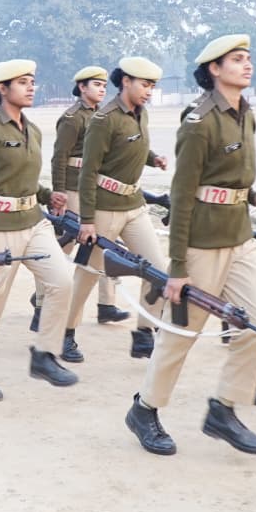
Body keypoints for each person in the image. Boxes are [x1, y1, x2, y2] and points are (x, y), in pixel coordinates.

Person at [123, 35, 256, 458]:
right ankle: (145, 409)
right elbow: (183, 193)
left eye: (248, 58)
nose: (247, 65)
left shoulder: (245, 113)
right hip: (202, 244)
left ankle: (224, 409)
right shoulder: (199, 120)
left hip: (240, 236)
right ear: (215, 68)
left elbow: (225, 177)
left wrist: (251, 195)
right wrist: (177, 266)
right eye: (237, 59)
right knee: (181, 334)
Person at [0, 59, 78, 399]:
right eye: (23, 82)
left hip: (34, 222)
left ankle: (44, 355)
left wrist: (47, 195)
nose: (31, 87)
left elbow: (21, 178)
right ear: (2, 88)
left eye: (32, 81)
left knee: (62, 281)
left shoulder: (31, 129)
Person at [67, 56, 169, 361]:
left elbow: (132, 145)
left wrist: (153, 158)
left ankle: (144, 334)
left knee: (157, 271)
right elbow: (88, 172)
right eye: (145, 84)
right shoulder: (104, 119)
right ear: (126, 81)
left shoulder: (141, 113)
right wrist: (87, 220)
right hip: (104, 209)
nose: (149, 91)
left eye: (152, 86)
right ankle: (63, 332)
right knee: (87, 275)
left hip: (134, 206)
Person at [35, 65, 130, 338]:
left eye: (104, 85)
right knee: (62, 247)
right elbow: (59, 157)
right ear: (82, 87)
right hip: (74, 189)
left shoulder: (104, 116)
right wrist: (58, 194)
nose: (102, 89)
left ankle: (106, 304)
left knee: (105, 243)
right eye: (96, 85)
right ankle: (42, 302)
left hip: (96, 188)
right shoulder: (72, 118)